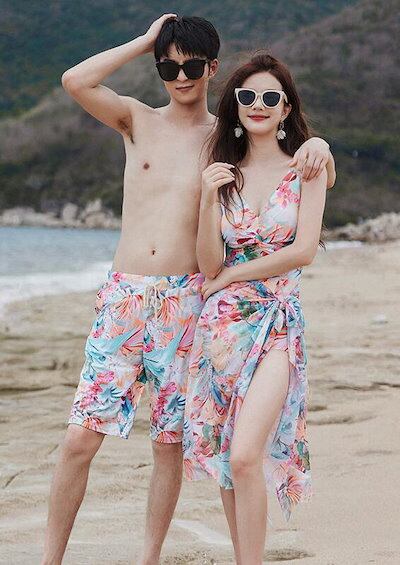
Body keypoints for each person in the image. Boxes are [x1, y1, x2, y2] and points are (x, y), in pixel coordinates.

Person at [41, 14, 335, 565]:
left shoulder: (225, 144)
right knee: (80, 437)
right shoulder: (136, 120)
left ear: (212, 69)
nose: (180, 76)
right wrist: (145, 41)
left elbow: (283, 157)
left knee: (168, 444)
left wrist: (317, 142)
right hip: (125, 297)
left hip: (189, 301)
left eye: (192, 66)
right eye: (168, 67)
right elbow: (75, 81)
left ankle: (149, 558)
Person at [183, 51, 329, 564]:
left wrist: (232, 275)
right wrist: (207, 200)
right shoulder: (222, 174)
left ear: (286, 107)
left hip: (277, 324)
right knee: (228, 459)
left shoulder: (307, 164)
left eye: (271, 97)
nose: (258, 104)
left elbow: (303, 251)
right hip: (221, 329)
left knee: (245, 454)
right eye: (248, 96)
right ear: (236, 105)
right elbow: (208, 263)